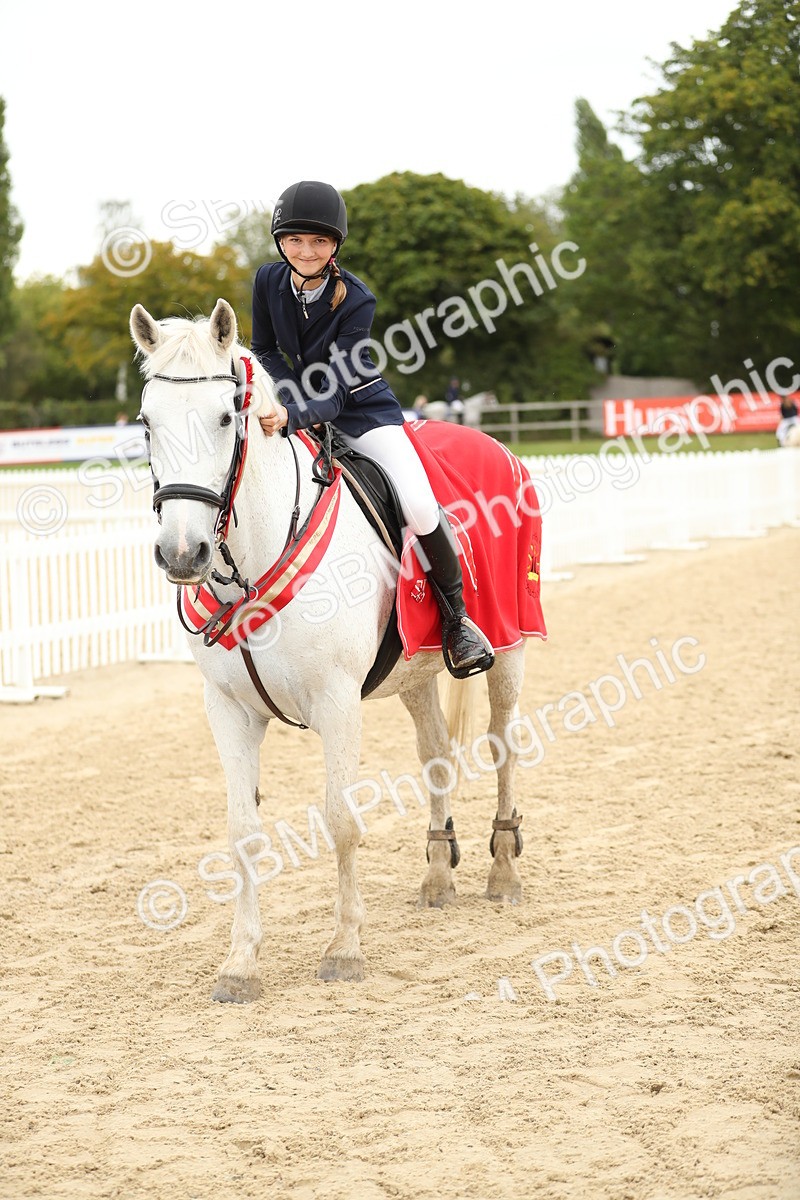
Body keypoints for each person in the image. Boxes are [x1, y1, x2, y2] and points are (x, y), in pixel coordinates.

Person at [250, 180, 494, 677]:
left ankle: (457, 621)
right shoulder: (266, 280)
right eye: (295, 240)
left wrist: (290, 415)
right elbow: (267, 350)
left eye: (319, 241)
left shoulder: (357, 299)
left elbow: (338, 391)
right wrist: (290, 396)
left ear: (335, 244)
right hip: (297, 402)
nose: (306, 251)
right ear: (280, 240)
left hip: (362, 411)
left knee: (419, 504)